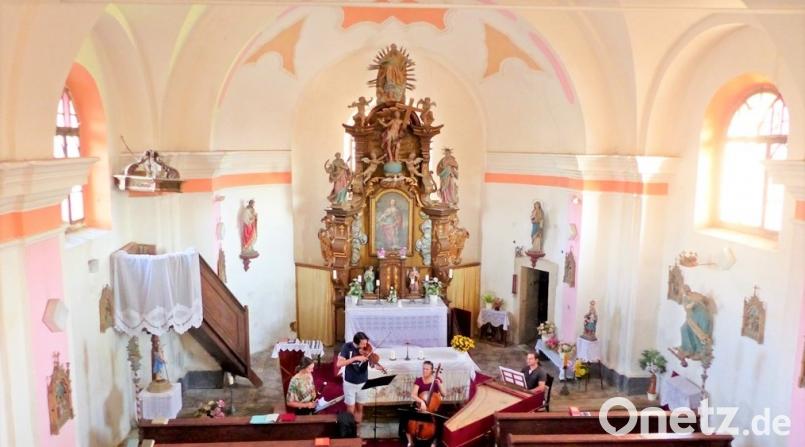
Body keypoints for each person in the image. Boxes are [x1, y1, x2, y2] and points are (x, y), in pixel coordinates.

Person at [336, 332, 386, 424]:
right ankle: (350, 430)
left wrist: (377, 366)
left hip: (363, 382)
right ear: (356, 342)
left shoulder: (367, 348)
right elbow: (339, 364)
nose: (365, 345)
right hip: (349, 382)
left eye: (366, 343)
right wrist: (355, 358)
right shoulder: (347, 347)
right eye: (363, 343)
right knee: (350, 409)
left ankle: (357, 430)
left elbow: (371, 363)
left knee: (360, 408)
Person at [403, 361, 443, 447]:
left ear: (432, 370)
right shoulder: (419, 380)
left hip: (432, 407)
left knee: (440, 420)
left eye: (427, 369)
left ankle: (434, 442)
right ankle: (410, 441)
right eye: (423, 368)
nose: (424, 371)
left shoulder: (437, 380)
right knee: (405, 416)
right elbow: (413, 394)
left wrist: (439, 385)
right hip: (419, 406)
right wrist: (421, 402)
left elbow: (443, 394)